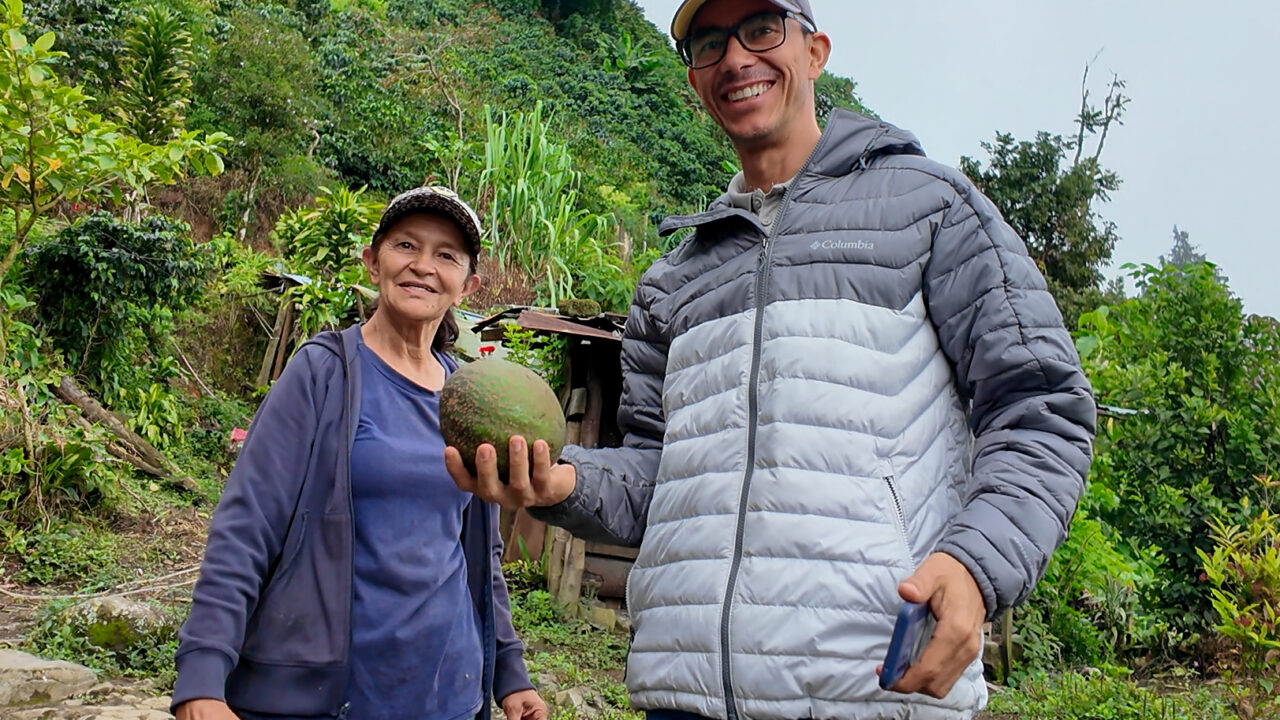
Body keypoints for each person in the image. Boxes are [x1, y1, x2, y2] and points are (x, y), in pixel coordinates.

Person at [447, 0, 1096, 718]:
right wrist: (560, 482)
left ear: (815, 51)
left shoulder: (930, 210)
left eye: (761, 28)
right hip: (685, 695)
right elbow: (660, 478)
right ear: (696, 82)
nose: (735, 58)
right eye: (709, 43)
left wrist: (974, 564)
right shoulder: (673, 281)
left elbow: (1041, 409)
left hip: (873, 693)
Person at [172, 186, 548, 720]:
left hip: (447, 695)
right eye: (406, 246)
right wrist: (202, 678)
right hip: (327, 697)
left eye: (446, 255)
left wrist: (510, 673)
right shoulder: (323, 373)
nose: (423, 266)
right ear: (372, 262)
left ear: (468, 285)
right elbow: (246, 526)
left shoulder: (470, 398)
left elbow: (478, 553)